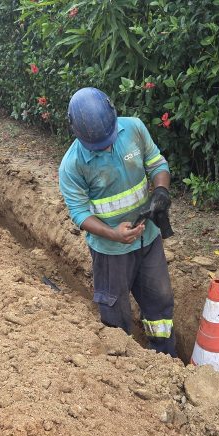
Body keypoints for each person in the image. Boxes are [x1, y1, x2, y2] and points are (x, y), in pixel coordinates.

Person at [58, 87, 177, 357]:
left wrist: (161, 191)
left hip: (148, 239)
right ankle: (123, 367)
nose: (107, 147)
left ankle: (165, 359)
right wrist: (113, 234)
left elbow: (157, 164)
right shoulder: (72, 166)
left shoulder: (133, 128)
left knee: (160, 301)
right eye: (99, 144)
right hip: (110, 252)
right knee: (114, 313)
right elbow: (79, 213)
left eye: (108, 139)